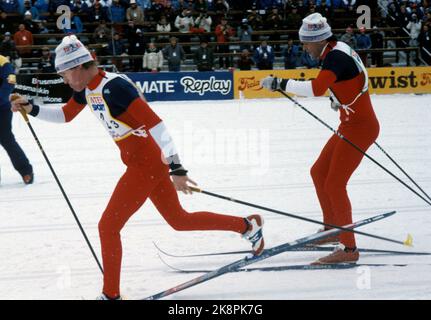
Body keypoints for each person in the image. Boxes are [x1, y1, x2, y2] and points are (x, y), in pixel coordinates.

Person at [10, 35, 264, 300]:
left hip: (147, 164)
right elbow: (65, 115)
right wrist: (32, 108)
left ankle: (111, 295)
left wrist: (177, 167)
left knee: (107, 226)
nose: (64, 80)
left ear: (77, 67)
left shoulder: (115, 87)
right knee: (178, 220)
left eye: (64, 74)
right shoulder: (87, 88)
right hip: (141, 162)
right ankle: (247, 226)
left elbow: (157, 124)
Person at [260, 13, 380, 265]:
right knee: (318, 172)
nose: (304, 48)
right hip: (349, 124)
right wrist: (340, 98)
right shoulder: (337, 50)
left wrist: (279, 82)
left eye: (306, 43)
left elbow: (315, 88)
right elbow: (359, 75)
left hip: (360, 128)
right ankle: (331, 229)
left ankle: (348, 250)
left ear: (318, 41)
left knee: (335, 184)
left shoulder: (334, 57)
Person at [0, 55, 33, 184]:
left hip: (1, 107)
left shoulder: (2, 61)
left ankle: (26, 171)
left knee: (7, 139)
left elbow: (11, 81)